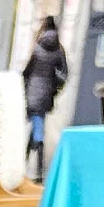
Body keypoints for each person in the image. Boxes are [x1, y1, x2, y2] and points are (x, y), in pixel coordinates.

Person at [23, 16, 68, 178]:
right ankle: (34, 165)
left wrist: (25, 87)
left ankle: (35, 166)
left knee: (36, 124)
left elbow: (27, 72)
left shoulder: (38, 48)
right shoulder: (59, 50)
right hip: (46, 92)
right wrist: (55, 89)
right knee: (38, 122)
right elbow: (64, 74)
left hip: (33, 90)